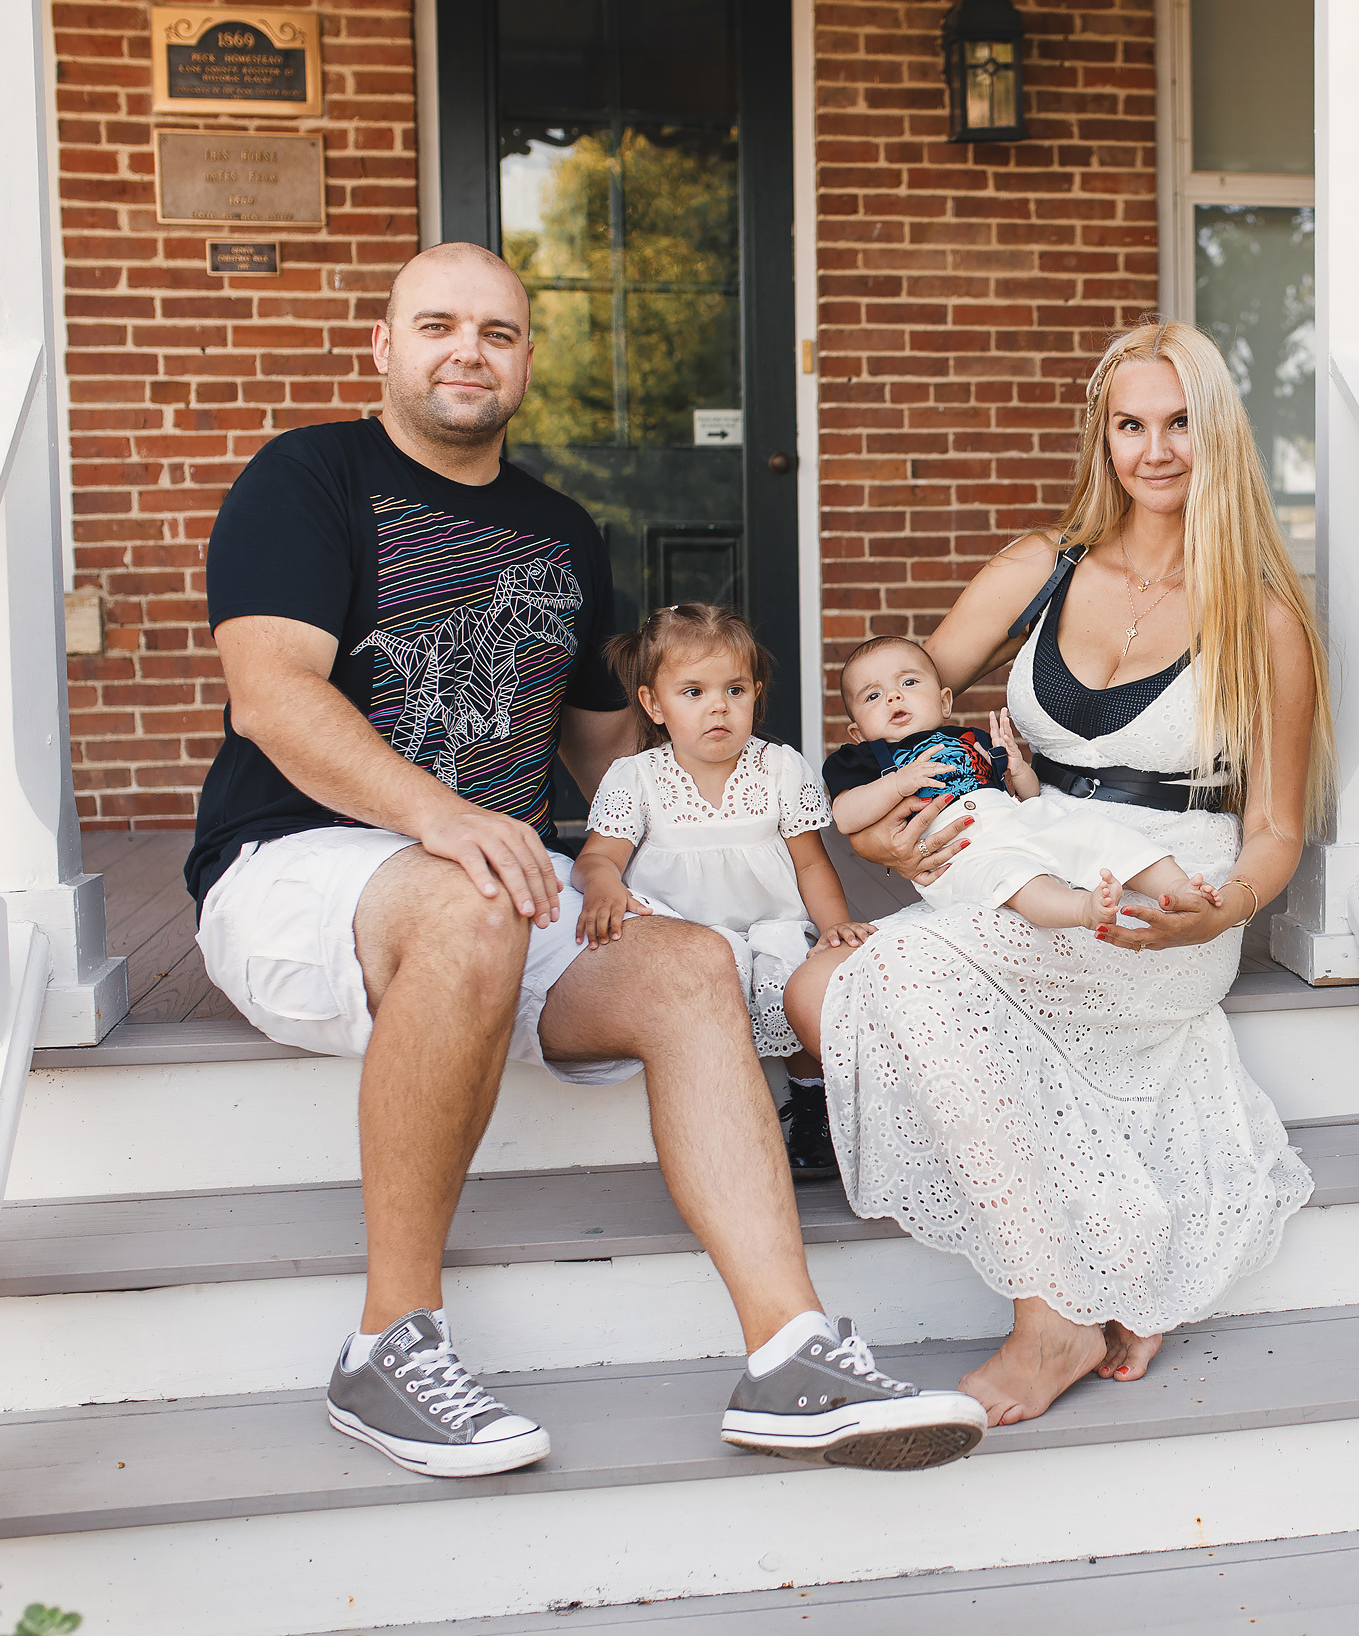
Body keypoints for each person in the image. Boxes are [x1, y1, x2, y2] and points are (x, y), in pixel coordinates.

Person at [186, 240, 986, 1479]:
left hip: (498, 880)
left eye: (498, 332)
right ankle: (387, 1345)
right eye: (439, 326)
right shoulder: (309, 475)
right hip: (302, 865)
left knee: (688, 962)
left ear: (524, 362)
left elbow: (612, 752)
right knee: (473, 901)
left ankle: (789, 1352)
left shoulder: (559, 530)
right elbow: (271, 698)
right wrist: (441, 816)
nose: (469, 351)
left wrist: (766, 817)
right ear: (384, 348)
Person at [783, 319, 1334, 1428]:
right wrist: (881, 824)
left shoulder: (1262, 616)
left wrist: (1215, 915)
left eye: (1180, 424)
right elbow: (895, 704)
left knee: (874, 984)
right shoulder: (1039, 569)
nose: (1155, 451)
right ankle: (1105, 1243)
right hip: (1022, 868)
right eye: (1130, 425)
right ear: (1104, 438)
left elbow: (1275, 827)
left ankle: (1051, 1316)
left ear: (1217, 435)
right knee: (815, 995)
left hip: (1163, 896)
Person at [572, 601, 871, 1180]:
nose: (718, 706)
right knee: (707, 986)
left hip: (771, 922)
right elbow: (598, 856)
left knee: (797, 977)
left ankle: (811, 1104)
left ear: (756, 694)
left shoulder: (780, 768)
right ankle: (721, 1120)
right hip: (684, 932)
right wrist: (603, 883)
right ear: (654, 705)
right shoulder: (636, 778)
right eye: (693, 692)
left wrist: (833, 926)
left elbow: (810, 864)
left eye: (735, 689)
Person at [823, 635, 1214, 932]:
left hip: (1018, 819)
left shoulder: (971, 738)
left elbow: (1026, 794)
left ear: (944, 702)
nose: (893, 697)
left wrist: (1019, 768)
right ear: (857, 731)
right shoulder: (864, 758)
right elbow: (844, 816)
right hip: (964, 855)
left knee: (1097, 831)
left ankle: (1180, 888)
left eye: (908, 683)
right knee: (1017, 879)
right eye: (873, 695)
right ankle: (1082, 909)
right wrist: (896, 784)